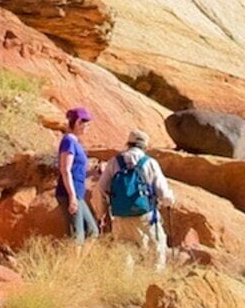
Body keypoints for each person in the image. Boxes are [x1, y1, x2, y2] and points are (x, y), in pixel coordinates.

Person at [105, 131, 168, 266]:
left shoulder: (114, 162)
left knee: (125, 254)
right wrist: (169, 201)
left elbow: (100, 189)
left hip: (120, 216)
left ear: (128, 143)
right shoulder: (149, 163)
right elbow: (163, 191)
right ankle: (154, 282)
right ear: (145, 146)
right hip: (145, 216)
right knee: (157, 247)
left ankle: (124, 284)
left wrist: (101, 212)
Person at [55, 105, 99, 240]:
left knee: (92, 231)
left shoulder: (76, 142)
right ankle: (72, 260)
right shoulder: (68, 141)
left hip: (78, 192)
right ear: (79, 122)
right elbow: (65, 169)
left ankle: (78, 261)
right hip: (70, 192)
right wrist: (72, 196)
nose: (88, 128)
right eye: (87, 125)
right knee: (77, 236)